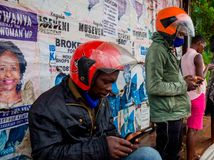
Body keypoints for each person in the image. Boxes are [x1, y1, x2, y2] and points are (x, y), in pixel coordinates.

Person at [28, 40, 162, 160]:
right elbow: (45, 154)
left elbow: (109, 131)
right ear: (85, 77)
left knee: (149, 155)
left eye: (113, 82)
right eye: (106, 82)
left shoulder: (100, 98)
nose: (111, 89)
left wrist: (123, 142)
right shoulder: (47, 107)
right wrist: (102, 148)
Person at [145, 7, 196, 160]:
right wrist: (183, 85)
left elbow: (169, 77)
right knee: (167, 154)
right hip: (166, 115)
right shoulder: (157, 51)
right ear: (168, 29)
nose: (181, 38)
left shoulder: (168, 49)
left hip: (173, 113)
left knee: (174, 152)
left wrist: (186, 80)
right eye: (180, 33)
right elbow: (154, 86)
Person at [0, 41, 35, 159]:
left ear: (20, 73)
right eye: (2, 68)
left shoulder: (28, 98)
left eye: (14, 68)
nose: (8, 74)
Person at [181, 35, 208, 160]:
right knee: (192, 129)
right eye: (204, 45)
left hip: (187, 95)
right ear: (199, 43)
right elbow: (200, 79)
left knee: (190, 127)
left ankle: (191, 154)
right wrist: (208, 68)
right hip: (197, 95)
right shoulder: (197, 56)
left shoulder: (183, 57)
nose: (204, 48)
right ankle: (190, 157)